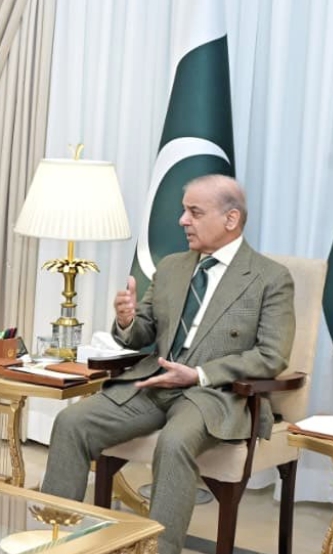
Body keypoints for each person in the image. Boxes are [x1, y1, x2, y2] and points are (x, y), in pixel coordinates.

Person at [41, 174, 295, 554]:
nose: (182, 220)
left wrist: (199, 374)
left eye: (194, 212)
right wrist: (127, 319)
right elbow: (141, 333)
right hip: (153, 382)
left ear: (231, 219)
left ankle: (160, 550)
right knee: (72, 422)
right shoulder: (172, 267)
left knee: (175, 442)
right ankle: (55, 542)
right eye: (183, 211)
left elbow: (271, 355)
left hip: (213, 393)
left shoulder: (270, 278)